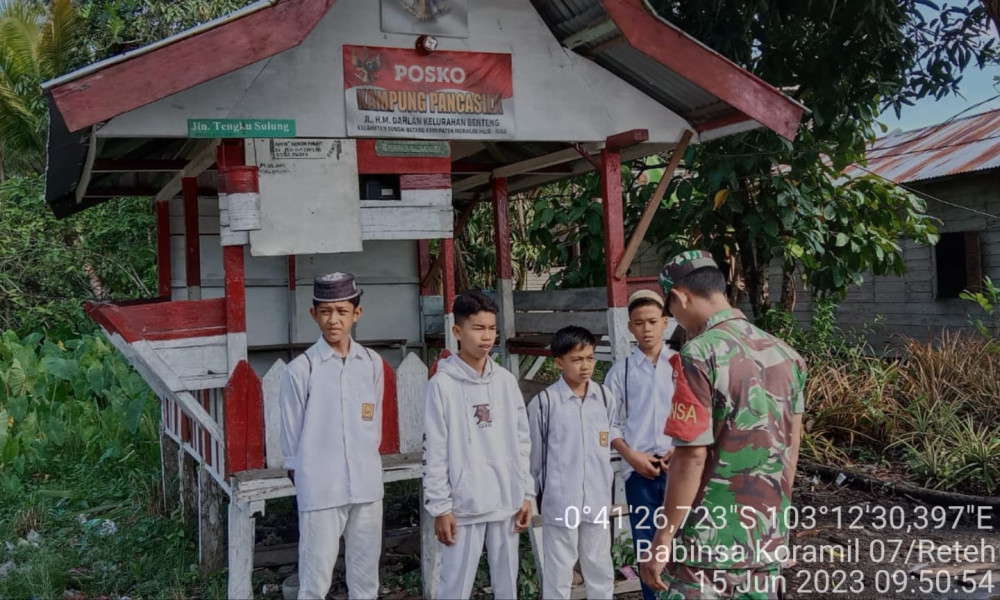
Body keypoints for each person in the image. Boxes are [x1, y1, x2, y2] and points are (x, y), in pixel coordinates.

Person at [639, 251, 807, 600]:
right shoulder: (789, 356)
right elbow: (790, 452)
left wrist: (664, 538)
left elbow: (691, 457)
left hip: (709, 549)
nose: (677, 320)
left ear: (681, 296)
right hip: (766, 542)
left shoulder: (699, 355)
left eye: (672, 311)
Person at [278, 272, 385, 600]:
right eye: (325, 311)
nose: (334, 320)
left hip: (366, 489)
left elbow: (373, 424)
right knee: (314, 582)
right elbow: (291, 442)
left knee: (366, 581)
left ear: (357, 313)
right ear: (314, 315)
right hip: (321, 491)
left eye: (341, 311)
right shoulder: (302, 370)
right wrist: (310, 482)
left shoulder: (372, 363)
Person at [422, 291, 534, 599]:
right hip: (463, 506)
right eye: (477, 328)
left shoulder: (506, 382)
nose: (486, 337)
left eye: (491, 328)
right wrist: (441, 507)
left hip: (506, 501)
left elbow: (522, 441)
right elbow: (435, 451)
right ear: (457, 331)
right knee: (454, 588)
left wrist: (526, 492)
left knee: (507, 586)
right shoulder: (441, 387)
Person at [527, 326, 619, 600]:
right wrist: (529, 497)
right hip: (561, 501)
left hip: (598, 499)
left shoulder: (604, 398)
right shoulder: (544, 404)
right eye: (577, 360)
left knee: (600, 569)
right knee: (558, 573)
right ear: (559, 363)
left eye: (590, 358)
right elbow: (534, 460)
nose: (585, 366)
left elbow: (610, 445)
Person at [604, 289, 678, 600]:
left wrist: (680, 449)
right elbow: (606, 423)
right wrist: (631, 457)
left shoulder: (682, 365)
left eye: (652, 321)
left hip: (679, 468)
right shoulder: (620, 371)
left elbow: (697, 415)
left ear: (665, 322)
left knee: (681, 541)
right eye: (639, 323)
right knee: (646, 545)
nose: (646, 329)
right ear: (630, 327)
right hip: (639, 473)